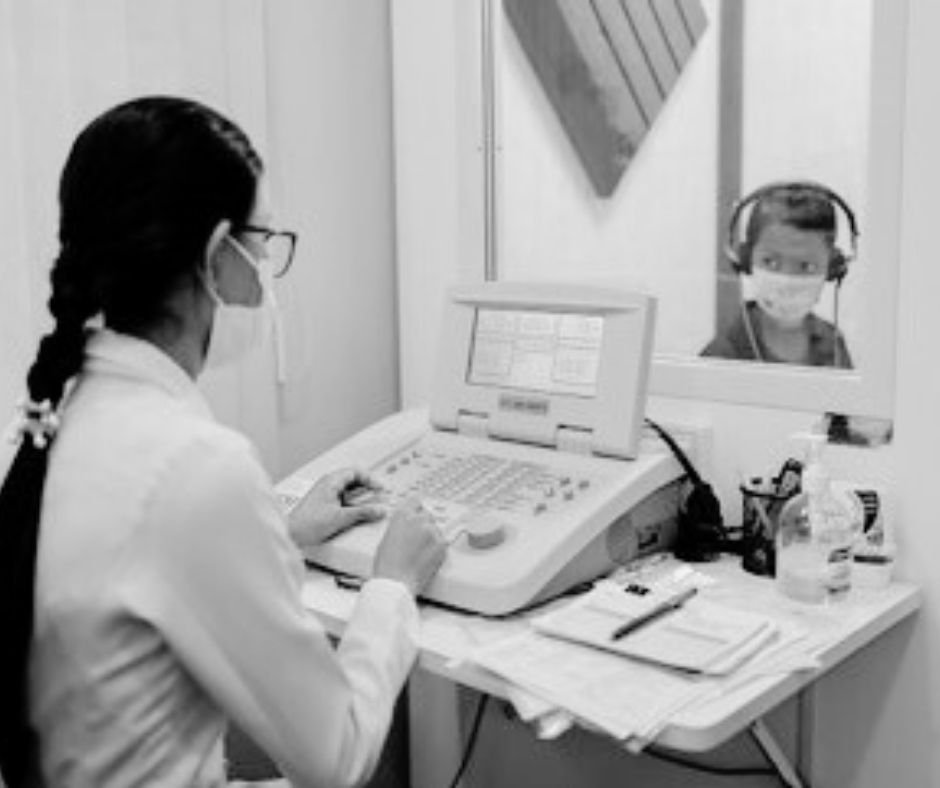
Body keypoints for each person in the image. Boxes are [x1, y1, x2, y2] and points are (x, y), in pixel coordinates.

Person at [0, 96, 448, 788]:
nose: (268, 271)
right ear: (215, 257)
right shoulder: (196, 466)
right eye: (264, 244)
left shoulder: (66, 409)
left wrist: (280, 533)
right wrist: (393, 582)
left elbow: (134, 558)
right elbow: (337, 757)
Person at [701, 181, 856, 368]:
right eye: (771, 262)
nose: (787, 280)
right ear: (747, 259)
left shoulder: (833, 343)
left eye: (806, 266)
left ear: (832, 268)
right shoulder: (721, 355)